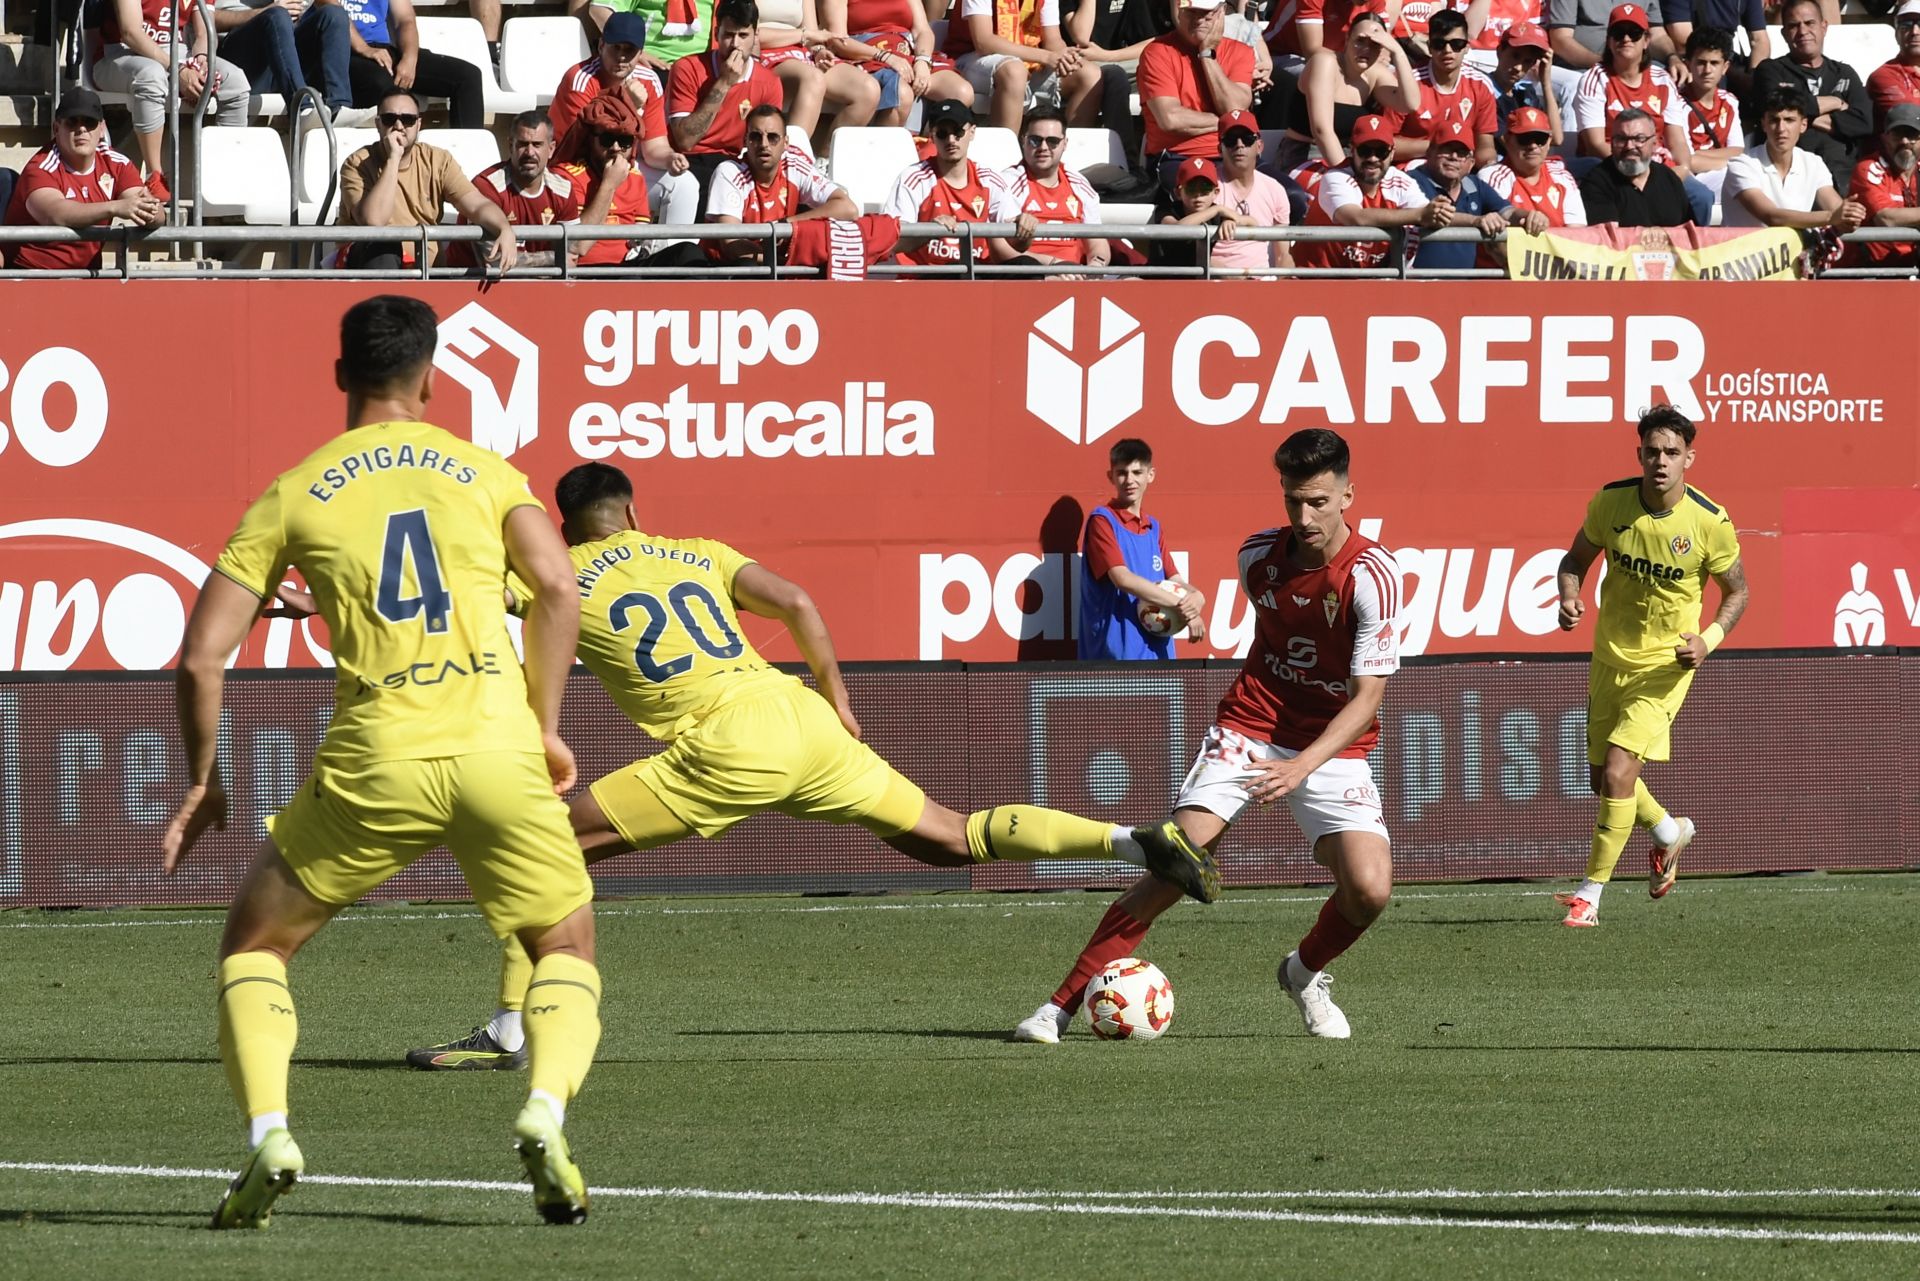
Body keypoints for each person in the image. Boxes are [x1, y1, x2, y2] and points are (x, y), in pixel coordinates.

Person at [404, 460, 1220, 1070]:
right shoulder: (696, 551)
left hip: (727, 741)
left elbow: (478, 599)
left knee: (542, 844)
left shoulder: (562, 570)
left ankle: (511, 1028)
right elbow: (796, 599)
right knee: (949, 836)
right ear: (635, 511)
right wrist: (837, 695)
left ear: (565, 525)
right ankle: (1133, 839)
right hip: (800, 715)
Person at [161, 295, 602, 1227]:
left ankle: (270, 1133)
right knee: (562, 946)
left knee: (256, 946)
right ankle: (545, 1108)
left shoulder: (294, 490)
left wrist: (204, 779)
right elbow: (558, 586)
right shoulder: (486, 471)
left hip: (377, 758)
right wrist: (545, 723)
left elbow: (201, 657)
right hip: (497, 749)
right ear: (431, 377)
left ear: (340, 375)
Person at [1015, 427, 1404, 1044]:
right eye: (1293, 500)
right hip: (1251, 725)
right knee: (1177, 859)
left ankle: (1303, 973)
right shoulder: (1258, 558)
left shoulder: (1373, 576)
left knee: (1370, 890)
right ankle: (1056, 1008)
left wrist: (1300, 766)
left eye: (1319, 502)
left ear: (1348, 496)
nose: (1305, 517)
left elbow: (1368, 700)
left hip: (1331, 745)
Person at [1551, 404, 1746, 926]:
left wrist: (1708, 640)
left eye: (1672, 452)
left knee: (1619, 770)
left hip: (1665, 667)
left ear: (1689, 459)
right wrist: (1569, 596)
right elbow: (1574, 560)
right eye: (1653, 451)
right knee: (1603, 780)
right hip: (1610, 658)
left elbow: (1738, 592)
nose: (1661, 461)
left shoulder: (1709, 521)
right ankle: (1667, 831)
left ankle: (1589, 895)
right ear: (1639, 454)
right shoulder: (1610, 502)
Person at [337, 89, 519, 271]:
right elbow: (374, 222)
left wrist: (504, 228)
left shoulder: (437, 160)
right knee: (384, 244)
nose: (399, 126)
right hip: (372, 266)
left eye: (407, 119)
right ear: (378, 124)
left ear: (419, 124)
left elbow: (477, 205)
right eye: (389, 119)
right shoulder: (356, 164)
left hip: (426, 269)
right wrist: (393, 159)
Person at [549, 14, 699, 227]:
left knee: (684, 184)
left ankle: (669, 247)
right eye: (615, 48)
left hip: (625, 165)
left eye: (629, 50)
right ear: (601, 46)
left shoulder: (649, 80)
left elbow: (654, 146)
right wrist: (629, 104)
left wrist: (670, 158)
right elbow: (586, 144)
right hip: (578, 168)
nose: (621, 57)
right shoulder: (581, 78)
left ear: (640, 53)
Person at [95, 0, 252, 198]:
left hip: (178, 53)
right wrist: (178, 70)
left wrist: (201, 61)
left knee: (235, 81)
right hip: (120, 54)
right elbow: (130, 33)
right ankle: (154, 176)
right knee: (151, 76)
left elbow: (204, 33)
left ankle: (226, 179)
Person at [1, 88, 166, 270]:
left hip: (87, 275)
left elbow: (153, 212)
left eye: (89, 122)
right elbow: (55, 214)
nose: (81, 129)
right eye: (72, 122)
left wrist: (152, 211)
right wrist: (115, 207)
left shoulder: (117, 164)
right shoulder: (40, 167)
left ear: (101, 129)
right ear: (56, 128)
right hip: (31, 273)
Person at [1077, 439, 1205, 658]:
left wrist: (1198, 596)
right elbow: (1122, 578)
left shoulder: (1153, 527)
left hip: (1158, 653)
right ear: (1111, 477)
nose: (1130, 480)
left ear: (1150, 475)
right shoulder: (1103, 520)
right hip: (1116, 655)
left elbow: (1175, 580)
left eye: (1137, 472)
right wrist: (1185, 608)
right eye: (1122, 473)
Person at [884, 98, 1036, 266]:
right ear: (932, 136)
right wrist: (930, 231)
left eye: (958, 132)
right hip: (928, 275)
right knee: (961, 269)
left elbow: (1017, 246)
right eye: (942, 133)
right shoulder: (914, 178)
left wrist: (1025, 228)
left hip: (977, 272)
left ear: (972, 132)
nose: (951, 140)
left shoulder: (989, 180)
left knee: (1028, 266)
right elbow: (892, 241)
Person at [667, 0, 792, 200]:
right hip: (688, 162)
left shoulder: (769, 82)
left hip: (736, 164)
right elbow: (685, 141)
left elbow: (767, 141)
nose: (735, 44)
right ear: (716, 33)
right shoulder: (687, 69)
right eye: (728, 35)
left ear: (756, 36)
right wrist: (724, 82)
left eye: (743, 35)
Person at [1746, 0, 1871, 196]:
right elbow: (1774, 106)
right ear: (1784, 33)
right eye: (1793, 25)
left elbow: (1864, 122)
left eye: (1809, 23)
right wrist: (1835, 102)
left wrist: (1801, 115)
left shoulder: (1844, 73)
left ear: (1824, 27)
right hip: (1789, 176)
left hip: (1842, 175)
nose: (1803, 31)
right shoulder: (1770, 70)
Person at [706, 102, 860, 261]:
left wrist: (788, 223)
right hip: (727, 265)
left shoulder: (794, 166)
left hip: (775, 263)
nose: (764, 144)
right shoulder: (729, 172)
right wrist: (784, 264)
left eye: (772, 137)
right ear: (745, 141)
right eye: (755, 137)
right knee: (745, 265)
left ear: (786, 143)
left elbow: (848, 209)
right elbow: (732, 244)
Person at [1294, 111, 1446, 270]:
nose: (1373, 159)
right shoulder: (1336, 177)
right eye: (1365, 151)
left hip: (1372, 279)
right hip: (1318, 277)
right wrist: (1420, 215)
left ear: (1392, 153)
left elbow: (1432, 214)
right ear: (1352, 150)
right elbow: (1355, 218)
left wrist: (1458, 217)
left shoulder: (1400, 180)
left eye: (1381, 152)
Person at [1279, 9, 1420, 176]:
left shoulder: (1375, 74)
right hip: (1306, 154)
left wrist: (1398, 53)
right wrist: (1348, 177)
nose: (1366, 49)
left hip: (1355, 157)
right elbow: (1321, 130)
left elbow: (1410, 104)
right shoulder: (1325, 62)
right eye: (1360, 41)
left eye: (1375, 44)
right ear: (1347, 39)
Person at [1138, 0, 1255, 191]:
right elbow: (1171, 119)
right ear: (1179, 11)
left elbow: (1233, 107)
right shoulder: (1157, 52)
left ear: (1222, 11)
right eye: (1192, 12)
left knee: (1293, 196)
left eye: (1207, 13)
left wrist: (1207, 55)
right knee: (1207, 194)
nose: (1199, 19)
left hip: (1237, 155)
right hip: (1178, 157)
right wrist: (1230, 122)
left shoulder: (1240, 51)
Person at [451, 110, 588, 270]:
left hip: (542, 281)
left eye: (537, 144)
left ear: (551, 149)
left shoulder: (562, 190)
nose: (530, 152)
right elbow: (495, 262)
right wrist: (553, 258)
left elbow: (572, 255)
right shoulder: (487, 186)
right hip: (474, 281)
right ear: (511, 146)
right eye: (522, 144)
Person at [1409, 117, 1548, 268]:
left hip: (1466, 281)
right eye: (1446, 149)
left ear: (1471, 163)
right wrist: (1476, 221)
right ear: (1429, 152)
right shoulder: (1411, 181)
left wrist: (1529, 216)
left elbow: (1507, 212)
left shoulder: (1475, 185)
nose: (1454, 157)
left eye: (1461, 153)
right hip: (1416, 279)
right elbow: (1432, 214)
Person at [1721, 85, 1864, 230]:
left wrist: (1849, 216)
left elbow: (1836, 209)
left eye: (1789, 120)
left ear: (1803, 125)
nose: (1781, 129)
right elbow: (1771, 216)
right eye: (1774, 120)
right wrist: (1831, 217)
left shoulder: (1813, 163)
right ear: (1764, 124)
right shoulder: (1741, 165)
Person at [945, 0, 1103, 128]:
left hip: (1029, 60)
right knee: (1014, 71)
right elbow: (983, 42)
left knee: (1089, 74)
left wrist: (1065, 56)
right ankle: (1008, 154)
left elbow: (1052, 40)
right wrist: (1046, 56)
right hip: (970, 58)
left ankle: (1068, 153)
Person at [820, 0, 974, 128]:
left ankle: (928, 146)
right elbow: (838, 40)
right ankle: (882, 151)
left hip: (907, 53)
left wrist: (922, 60)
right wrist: (885, 56)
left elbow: (923, 31)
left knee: (961, 93)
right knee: (901, 95)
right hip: (866, 54)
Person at [995, 104, 1111, 272]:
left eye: (1052, 141)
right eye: (1035, 140)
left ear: (1065, 144)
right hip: (1031, 275)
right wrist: (1054, 266)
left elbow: (1097, 242)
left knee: (1134, 281)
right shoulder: (1006, 183)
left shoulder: (1079, 184)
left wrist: (1095, 267)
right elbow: (1002, 249)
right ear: (1023, 140)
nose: (1043, 147)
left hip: (1078, 274)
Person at [340, 0, 485, 130]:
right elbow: (333, 10)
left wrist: (409, 60)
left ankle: (467, 150)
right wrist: (364, 48)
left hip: (384, 50)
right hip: (345, 51)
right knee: (381, 81)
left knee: (467, 77)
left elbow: (405, 19)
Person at [554, 96, 659, 265]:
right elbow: (578, 245)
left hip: (629, 265)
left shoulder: (635, 178)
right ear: (590, 140)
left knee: (687, 252)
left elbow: (641, 233)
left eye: (624, 141)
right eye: (607, 140)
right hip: (590, 269)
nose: (616, 148)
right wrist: (609, 185)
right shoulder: (567, 176)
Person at [1390, 8, 1500, 166]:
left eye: (1456, 44)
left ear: (1467, 47)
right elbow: (1386, 143)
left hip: (1461, 168)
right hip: (1414, 167)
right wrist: (1439, 146)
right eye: (1439, 44)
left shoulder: (1481, 85)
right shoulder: (1407, 83)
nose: (1448, 51)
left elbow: (1485, 145)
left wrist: (1489, 165)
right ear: (1429, 47)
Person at [212, 0, 354, 120]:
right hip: (239, 53)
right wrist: (263, 11)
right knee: (277, 15)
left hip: (284, 50)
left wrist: (364, 48)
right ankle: (301, 110)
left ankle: (339, 108)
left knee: (335, 14)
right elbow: (207, 17)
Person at [756, 0, 884, 132]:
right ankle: (794, 145)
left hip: (800, 49)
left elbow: (812, 33)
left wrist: (819, 51)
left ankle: (828, 145)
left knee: (868, 89)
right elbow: (751, 35)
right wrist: (804, 35)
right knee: (813, 78)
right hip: (764, 51)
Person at [1577, 105, 1694, 224]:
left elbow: (1689, 229)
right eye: (1621, 139)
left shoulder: (1669, 178)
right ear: (1611, 144)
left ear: (1654, 143)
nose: (1629, 146)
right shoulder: (1597, 182)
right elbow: (1607, 233)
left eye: (1639, 139)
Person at [1478, 104, 1588, 223]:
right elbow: (1497, 227)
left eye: (1540, 139)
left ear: (1549, 142)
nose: (1533, 146)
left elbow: (1576, 229)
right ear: (1507, 140)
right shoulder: (1492, 176)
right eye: (1524, 139)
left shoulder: (1562, 178)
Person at [1215, 109, 1294, 271]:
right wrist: (1228, 277)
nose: (1239, 145)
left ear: (1259, 146)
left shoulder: (1275, 189)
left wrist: (1286, 278)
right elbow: (1195, 251)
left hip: (1261, 280)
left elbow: (1282, 254)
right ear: (1219, 148)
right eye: (1230, 139)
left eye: (1247, 139)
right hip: (1215, 279)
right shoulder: (1207, 185)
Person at [1845, 101, 1920, 272]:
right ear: (1884, 138)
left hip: (1913, 266)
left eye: (1912, 134)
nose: (1904, 141)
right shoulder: (1868, 167)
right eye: (1897, 134)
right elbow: (1886, 218)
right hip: (1871, 271)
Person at [1675, 26, 1741, 204]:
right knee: (1738, 177)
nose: (1707, 70)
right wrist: (1730, 161)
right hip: (1692, 180)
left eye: (1714, 63)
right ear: (1688, 64)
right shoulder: (1676, 103)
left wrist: (1699, 155)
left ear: (1725, 67)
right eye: (1701, 62)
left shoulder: (1730, 101)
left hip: (1723, 173)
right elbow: (1687, 161)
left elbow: (1739, 151)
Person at [1487, 20, 1567, 143]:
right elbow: (1511, 145)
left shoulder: (1526, 91)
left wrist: (1545, 82)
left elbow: (1556, 139)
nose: (1518, 68)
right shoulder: (1484, 89)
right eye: (1515, 56)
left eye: (1528, 61)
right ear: (1500, 51)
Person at [1546, 0, 1676, 75]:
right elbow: (1560, 40)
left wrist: (1672, 57)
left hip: (1633, 65)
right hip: (1583, 68)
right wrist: (1605, 64)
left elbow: (1657, 35)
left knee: (1671, 76)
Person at [1658, 0, 1765, 90]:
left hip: (1727, 56)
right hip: (1695, 58)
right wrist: (1732, 73)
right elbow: (1683, 41)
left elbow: (1760, 39)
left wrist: (1753, 76)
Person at [1868, 0, 1920, 134]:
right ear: (1896, 35)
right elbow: (1912, 118)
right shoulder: (1883, 76)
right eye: (1906, 25)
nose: (1914, 31)